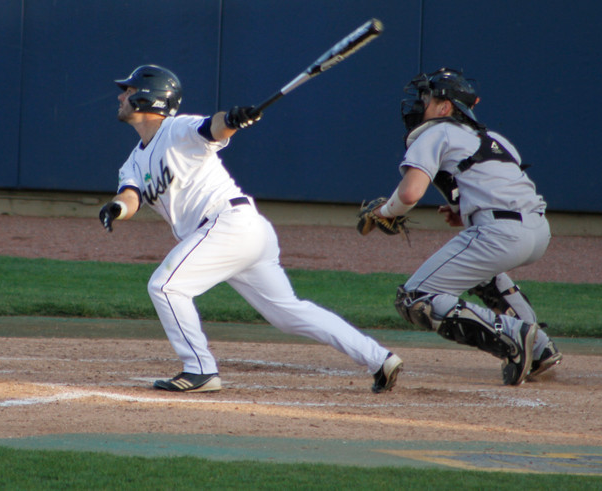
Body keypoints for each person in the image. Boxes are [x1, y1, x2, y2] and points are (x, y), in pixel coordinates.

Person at [99, 64, 403, 394]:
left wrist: (232, 119)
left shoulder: (177, 129)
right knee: (288, 313)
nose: (121, 96)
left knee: (165, 286)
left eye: (128, 91)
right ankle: (379, 359)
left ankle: (200, 369)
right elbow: (130, 196)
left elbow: (214, 127)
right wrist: (117, 208)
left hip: (227, 224)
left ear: (148, 97)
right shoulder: (133, 162)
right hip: (239, 230)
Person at [364, 68, 560, 386]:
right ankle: (539, 347)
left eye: (427, 98)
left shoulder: (435, 132)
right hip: (538, 231)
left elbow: (410, 193)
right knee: (483, 275)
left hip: (501, 234)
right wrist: (463, 210)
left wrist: (384, 212)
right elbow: (496, 184)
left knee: (415, 298)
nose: (420, 104)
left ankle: (514, 337)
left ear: (445, 107)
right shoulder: (495, 139)